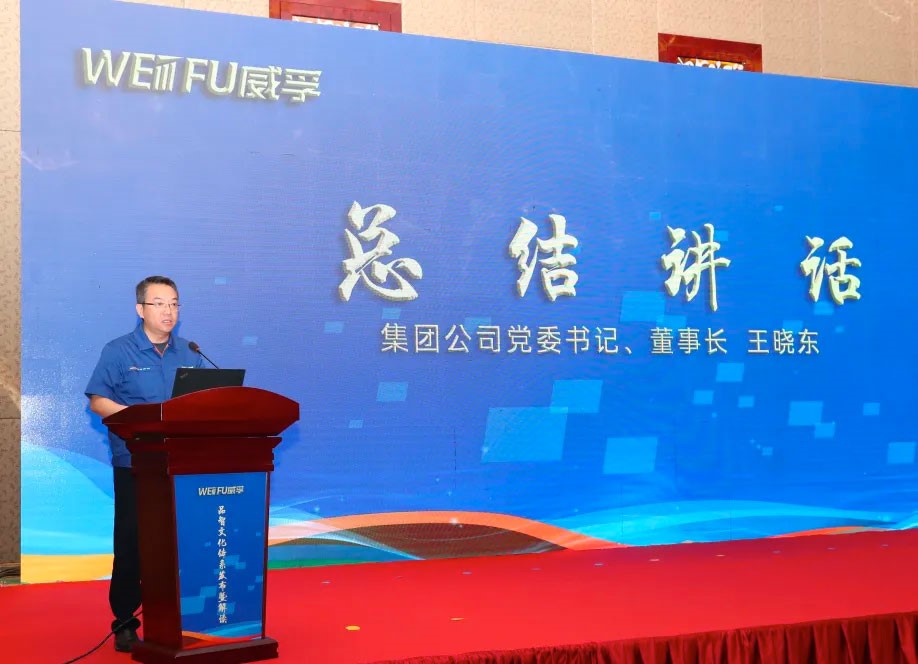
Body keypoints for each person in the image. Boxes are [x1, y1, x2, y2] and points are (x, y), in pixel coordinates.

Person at [85, 276, 205, 652]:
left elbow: (201, 403)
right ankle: (125, 620)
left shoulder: (190, 352)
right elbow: (98, 400)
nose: (168, 311)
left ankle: (181, 614)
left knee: (180, 541)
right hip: (135, 462)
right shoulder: (119, 351)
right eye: (159, 303)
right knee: (133, 543)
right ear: (140, 309)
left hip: (181, 463)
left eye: (174, 303)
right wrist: (136, 422)